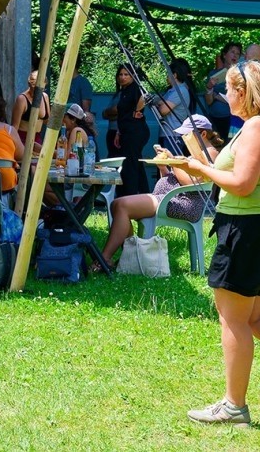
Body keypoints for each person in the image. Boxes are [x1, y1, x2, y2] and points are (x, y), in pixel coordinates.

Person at [180, 60, 260, 425]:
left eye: (229, 89)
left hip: (243, 231)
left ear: (242, 93)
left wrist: (201, 170)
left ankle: (233, 407)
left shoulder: (255, 128)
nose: (225, 96)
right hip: (248, 228)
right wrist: (198, 163)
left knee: (233, 321)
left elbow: (242, 183)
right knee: (255, 318)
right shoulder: (251, 128)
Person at [95, 117, 217, 272]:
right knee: (117, 204)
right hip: (169, 198)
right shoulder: (194, 153)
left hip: (184, 204)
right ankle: (132, 255)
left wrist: (173, 162)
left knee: (122, 205)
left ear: (203, 134)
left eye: (187, 134)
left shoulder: (210, 153)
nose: (184, 138)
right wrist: (164, 167)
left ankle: (104, 259)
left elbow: (190, 184)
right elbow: (174, 180)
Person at [103, 62, 151, 196]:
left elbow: (145, 96)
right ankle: (144, 193)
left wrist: (137, 110)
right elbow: (122, 114)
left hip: (135, 131)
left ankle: (130, 196)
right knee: (134, 163)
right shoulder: (123, 91)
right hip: (125, 130)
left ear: (132, 76)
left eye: (126, 75)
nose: (123, 77)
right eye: (120, 74)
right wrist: (119, 131)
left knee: (130, 165)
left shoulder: (135, 88)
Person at [148, 57, 193, 151]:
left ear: (175, 75)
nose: (166, 77)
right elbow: (160, 102)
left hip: (173, 135)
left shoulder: (180, 90)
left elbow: (163, 110)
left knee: (169, 164)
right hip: (167, 133)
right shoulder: (172, 91)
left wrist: (157, 103)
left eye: (168, 74)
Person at [205, 42, 244, 137]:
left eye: (237, 53)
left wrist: (217, 96)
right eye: (232, 52)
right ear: (224, 54)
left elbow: (239, 99)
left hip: (232, 119)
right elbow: (209, 102)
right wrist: (209, 87)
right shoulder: (213, 74)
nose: (235, 55)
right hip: (214, 119)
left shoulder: (240, 75)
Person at [11, 70, 49, 144]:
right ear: (29, 84)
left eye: (41, 89)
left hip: (37, 138)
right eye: (34, 88)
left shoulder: (45, 97)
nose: (38, 92)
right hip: (23, 139)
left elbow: (47, 121)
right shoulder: (22, 99)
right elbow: (14, 127)